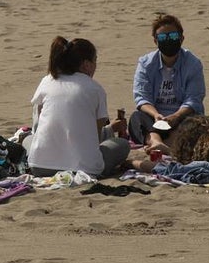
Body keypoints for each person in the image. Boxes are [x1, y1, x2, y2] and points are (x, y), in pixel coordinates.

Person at [25, 37, 131, 178]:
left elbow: (38, 127)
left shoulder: (47, 80)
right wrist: (111, 130)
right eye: (95, 61)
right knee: (122, 145)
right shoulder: (95, 89)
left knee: (28, 140)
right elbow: (96, 137)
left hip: (40, 167)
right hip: (83, 169)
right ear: (86, 64)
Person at [128, 14, 205, 149]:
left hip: (182, 118)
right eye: (163, 38)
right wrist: (156, 115)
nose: (168, 41)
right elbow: (142, 98)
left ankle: (168, 143)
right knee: (136, 118)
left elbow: (194, 99)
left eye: (173, 36)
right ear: (155, 41)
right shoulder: (145, 63)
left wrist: (175, 116)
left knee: (197, 123)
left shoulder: (193, 63)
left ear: (181, 38)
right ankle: (156, 141)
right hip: (155, 119)